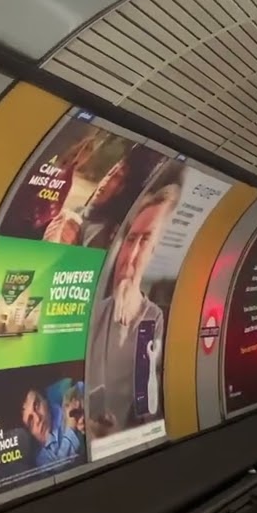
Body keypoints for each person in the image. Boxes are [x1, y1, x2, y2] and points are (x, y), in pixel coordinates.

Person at [87, 162, 184, 439]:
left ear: (155, 251)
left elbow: (146, 398)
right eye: (130, 239)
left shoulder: (151, 318)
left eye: (145, 241)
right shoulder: (96, 312)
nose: (130, 257)